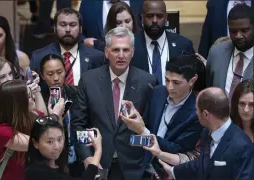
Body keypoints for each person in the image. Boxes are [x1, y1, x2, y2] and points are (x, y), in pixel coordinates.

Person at [72, 27, 156, 180]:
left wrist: (145, 161)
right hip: (99, 163)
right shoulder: (88, 80)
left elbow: (151, 125)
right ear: (106, 52)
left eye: (126, 50)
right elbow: (78, 125)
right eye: (116, 50)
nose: (121, 55)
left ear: (133, 52)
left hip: (134, 167)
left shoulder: (147, 82)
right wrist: (86, 157)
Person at [120, 55, 203, 166]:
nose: (170, 87)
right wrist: (134, 118)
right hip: (142, 162)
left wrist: (142, 130)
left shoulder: (197, 112)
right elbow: (146, 124)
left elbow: (177, 149)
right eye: (167, 80)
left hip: (168, 167)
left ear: (192, 80)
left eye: (176, 82)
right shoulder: (158, 92)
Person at [160, 87, 254, 180]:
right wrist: (173, 172)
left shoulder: (243, 145)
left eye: (197, 110)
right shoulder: (206, 132)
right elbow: (203, 164)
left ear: (205, 114)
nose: (196, 113)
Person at [30, 8, 105, 90]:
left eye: (72, 25)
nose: (68, 30)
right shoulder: (39, 57)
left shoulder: (97, 57)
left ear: (80, 29)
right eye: (63, 25)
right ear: (55, 28)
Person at [39, 53, 85, 177]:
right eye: (50, 74)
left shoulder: (77, 92)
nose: (56, 78)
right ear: (42, 76)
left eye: (59, 72)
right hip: (52, 158)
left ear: (65, 71)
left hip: (78, 154)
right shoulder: (39, 99)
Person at [132, 0, 195, 85]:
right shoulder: (131, 44)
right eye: (150, 16)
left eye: (159, 16)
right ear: (141, 18)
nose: (154, 20)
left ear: (166, 18)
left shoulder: (183, 45)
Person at [25, 117, 102, 180]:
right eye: (50, 142)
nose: (57, 146)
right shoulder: (36, 172)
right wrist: (98, 150)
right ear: (35, 143)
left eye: (59, 139)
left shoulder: (57, 164)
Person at [206, 4, 254, 100]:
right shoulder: (217, 52)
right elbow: (209, 90)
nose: (238, 35)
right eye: (233, 31)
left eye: (244, 30)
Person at [0, 56, 47, 120]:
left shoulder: (15, 94)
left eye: (10, 73)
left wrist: (36, 89)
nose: (10, 79)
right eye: (2, 77)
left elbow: (43, 119)